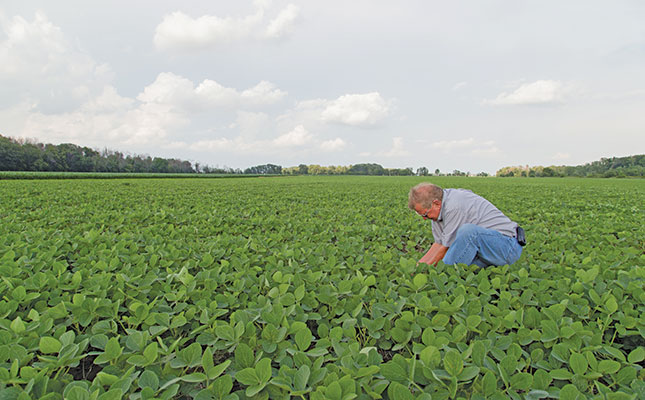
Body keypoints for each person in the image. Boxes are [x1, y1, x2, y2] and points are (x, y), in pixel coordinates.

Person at [408, 182, 525, 268]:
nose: (424, 218)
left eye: (425, 214)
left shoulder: (454, 206)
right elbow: (438, 244)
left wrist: (432, 273)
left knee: (468, 232)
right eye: (421, 215)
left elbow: (445, 249)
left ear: (436, 203)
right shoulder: (437, 213)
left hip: (507, 247)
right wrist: (418, 268)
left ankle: (445, 278)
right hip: (484, 252)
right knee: (467, 271)